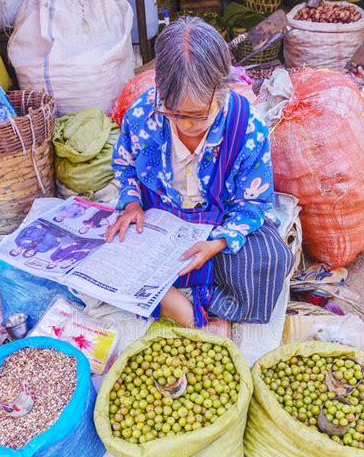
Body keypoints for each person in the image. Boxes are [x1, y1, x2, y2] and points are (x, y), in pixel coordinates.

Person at [106, 17, 293, 334]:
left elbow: (254, 203)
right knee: (111, 244)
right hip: (159, 218)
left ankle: (185, 303)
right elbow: (125, 165)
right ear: (160, 89)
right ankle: (185, 308)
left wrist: (219, 241)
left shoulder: (247, 129)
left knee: (269, 257)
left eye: (197, 116)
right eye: (173, 112)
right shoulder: (142, 115)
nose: (185, 125)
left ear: (222, 91)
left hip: (218, 223)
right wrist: (132, 205)